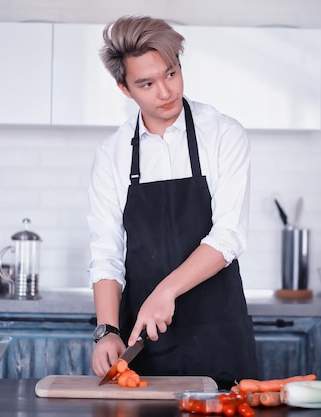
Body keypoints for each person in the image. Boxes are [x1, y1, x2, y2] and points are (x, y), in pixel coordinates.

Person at [87, 15, 258, 389]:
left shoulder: (223, 135)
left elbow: (228, 235)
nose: (165, 92)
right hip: (145, 343)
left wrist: (165, 291)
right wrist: (107, 330)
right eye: (146, 84)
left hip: (219, 337)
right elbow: (106, 254)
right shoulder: (112, 155)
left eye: (171, 73)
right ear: (124, 88)